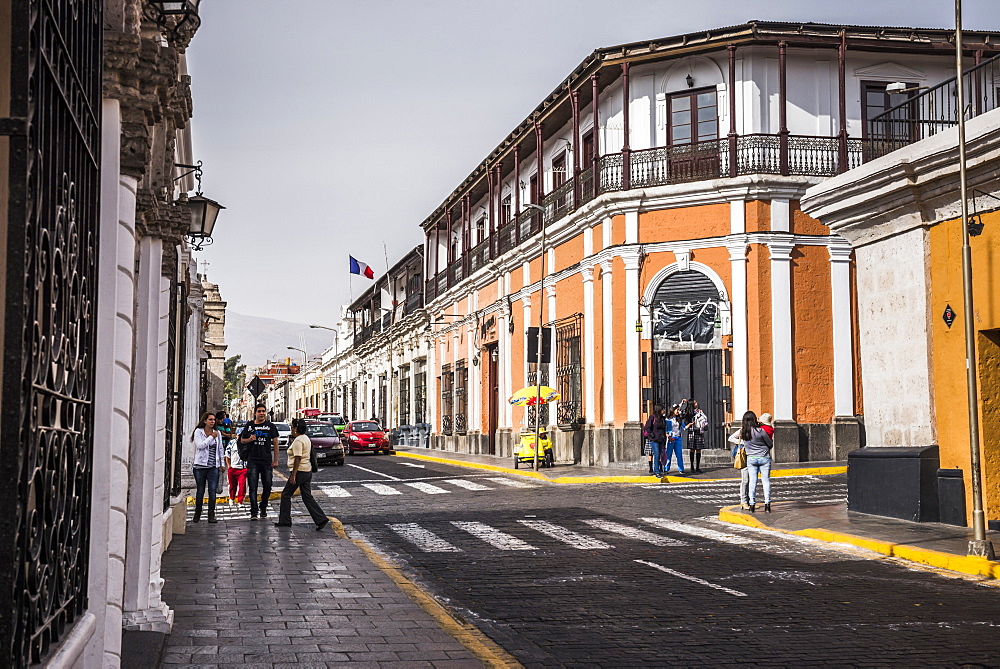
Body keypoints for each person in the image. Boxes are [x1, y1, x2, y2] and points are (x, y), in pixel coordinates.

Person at [275, 418, 330, 530]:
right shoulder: (306, 438)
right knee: (306, 496)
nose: (291, 429)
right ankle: (321, 519)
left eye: (292, 427)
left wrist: (293, 475)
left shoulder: (298, 441)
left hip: (299, 471)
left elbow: (298, 458)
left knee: (286, 494)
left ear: (295, 428)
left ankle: (285, 520)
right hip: (307, 471)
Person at [239, 403, 280, 520]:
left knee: (267, 486)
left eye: (263, 411)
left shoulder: (270, 426)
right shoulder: (249, 425)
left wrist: (275, 460)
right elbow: (242, 440)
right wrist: (250, 439)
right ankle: (254, 512)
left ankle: (263, 506)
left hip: (266, 461)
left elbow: (275, 443)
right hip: (253, 461)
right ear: (255, 413)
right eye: (259, 411)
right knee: (253, 487)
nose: (261, 413)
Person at [192, 412, 226, 523]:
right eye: (210, 419)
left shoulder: (218, 433)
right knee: (200, 490)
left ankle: (211, 514)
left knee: (212, 490)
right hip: (200, 466)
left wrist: (222, 464)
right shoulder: (198, 432)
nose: (212, 421)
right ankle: (197, 512)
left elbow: (220, 449)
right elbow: (200, 446)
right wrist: (211, 437)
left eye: (213, 420)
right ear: (205, 421)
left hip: (213, 466)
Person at [740, 410, 774, 512]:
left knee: (752, 482)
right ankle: (767, 504)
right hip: (764, 457)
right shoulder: (760, 431)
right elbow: (770, 444)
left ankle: (752, 505)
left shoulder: (743, 432)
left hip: (751, 458)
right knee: (766, 481)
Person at [643, 405, 668, 477]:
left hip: (661, 439)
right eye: (663, 409)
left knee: (660, 454)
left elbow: (663, 429)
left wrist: (664, 439)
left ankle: (658, 469)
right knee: (656, 454)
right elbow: (647, 427)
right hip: (654, 439)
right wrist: (652, 435)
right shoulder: (652, 417)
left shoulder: (663, 419)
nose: (664, 411)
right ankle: (656, 471)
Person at [225, 429, 248, 505]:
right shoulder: (232, 443)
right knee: (232, 485)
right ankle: (231, 498)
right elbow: (227, 455)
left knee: (242, 485)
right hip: (233, 467)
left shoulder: (247, 443)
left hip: (243, 468)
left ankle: (240, 501)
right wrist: (229, 466)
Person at [687, 400, 709, 473]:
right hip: (692, 431)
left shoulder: (699, 411)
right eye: (695, 403)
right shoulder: (689, 413)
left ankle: (697, 466)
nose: (697, 404)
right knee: (692, 449)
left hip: (699, 431)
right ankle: (692, 466)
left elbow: (704, 419)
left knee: (699, 449)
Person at [663, 405, 686, 474]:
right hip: (671, 438)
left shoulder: (679, 419)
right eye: (677, 410)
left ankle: (681, 469)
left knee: (679, 454)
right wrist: (667, 435)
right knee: (668, 454)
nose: (678, 411)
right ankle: (666, 469)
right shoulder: (667, 419)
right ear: (673, 410)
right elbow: (665, 429)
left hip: (678, 438)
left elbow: (684, 426)